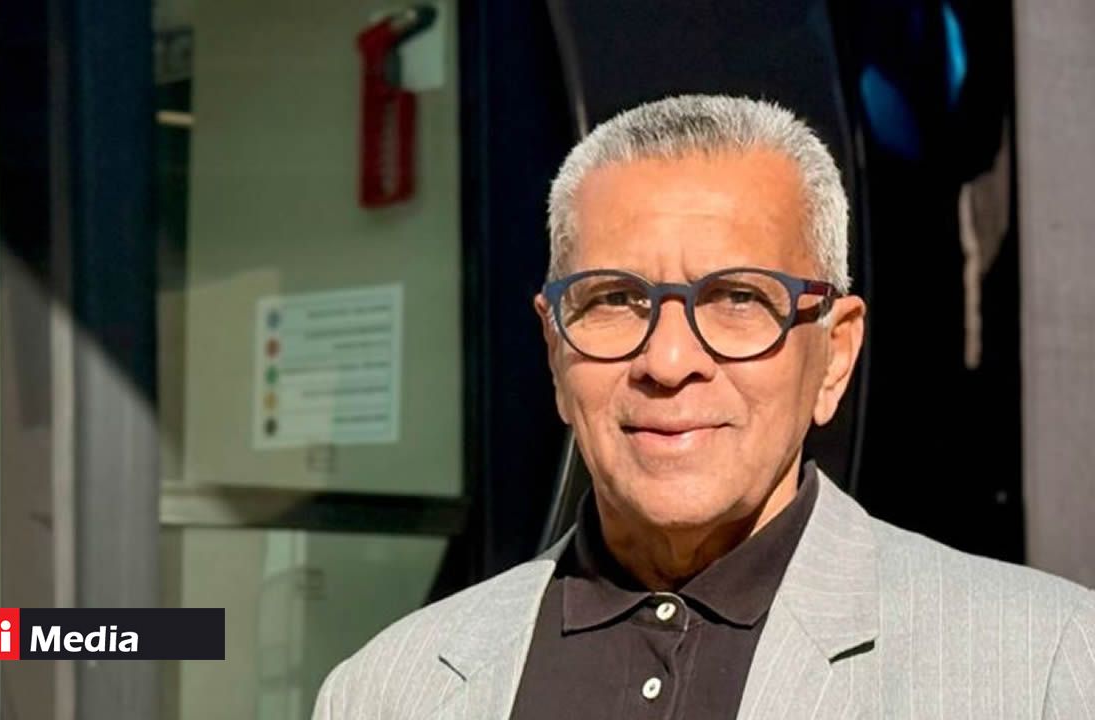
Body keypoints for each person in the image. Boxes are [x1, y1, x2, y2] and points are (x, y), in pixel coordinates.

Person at [312, 94, 1095, 719]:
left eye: (737, 299)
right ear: (555, 351)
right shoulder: (389, 690)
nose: (669, 362)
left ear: (834, 355)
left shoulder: (1043, 666)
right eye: (614, 299)